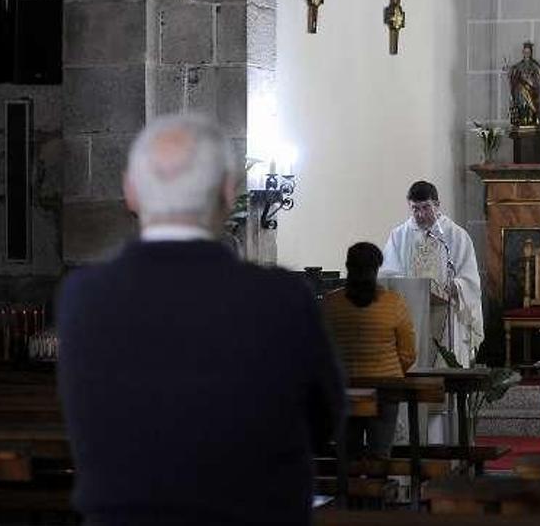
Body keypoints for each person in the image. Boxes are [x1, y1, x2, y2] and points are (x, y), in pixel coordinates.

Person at [57, 114, 345, 524]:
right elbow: (322, 418)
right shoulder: (281, 298)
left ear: (130, 191)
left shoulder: (83, 297)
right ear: (228, 193)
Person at [322, 242, 417, 458]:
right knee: (380, 453)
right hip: (385, 389)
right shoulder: (394, 304)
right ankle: (378, 486)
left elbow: (320, 350)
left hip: (343, 389)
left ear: (348, 267)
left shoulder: (331, 304)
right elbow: (408, 353)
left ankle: (348, 489)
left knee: (347, 455)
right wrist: (387, 371)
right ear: (377, 270)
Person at [380, 181, 483, 366]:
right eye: (415, 209)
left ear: (437, 205)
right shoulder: (399, 236)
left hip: (447, 313)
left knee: (444, 363)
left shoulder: (456, 235)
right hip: (412, 313)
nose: (420, 214)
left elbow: (470, 279)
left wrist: (456, 286)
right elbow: (388, 274)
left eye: (426, 207)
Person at [506, 41, 540, 128]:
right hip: (522, 91)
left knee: (533, 106)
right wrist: (509, 71)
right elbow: (513, 74)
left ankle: (534, 119)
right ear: (523, 52)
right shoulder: (519, 65)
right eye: (525, 52)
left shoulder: (534, 64)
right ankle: (523, 120)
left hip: (532, 89)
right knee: (523, 104)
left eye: (528, 52)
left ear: (531, 53)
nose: (527, 54)